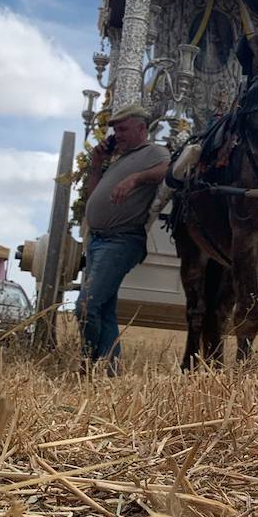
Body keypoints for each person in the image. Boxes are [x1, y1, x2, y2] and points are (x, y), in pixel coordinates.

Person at [77, 104, 169, 371]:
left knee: (85, 306)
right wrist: (96, 166)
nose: (118, 135)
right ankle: (109, 368)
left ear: (142, 128)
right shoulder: (119, 159)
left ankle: (90, 363)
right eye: (115, 130)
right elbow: (93, 198)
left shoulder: (154, 152)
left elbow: (170, 170)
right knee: (103, 309)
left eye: (124, 129)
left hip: (121, 240)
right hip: (98, 241)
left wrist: (136, 179)